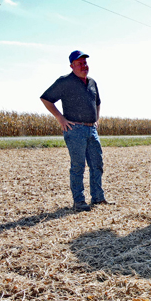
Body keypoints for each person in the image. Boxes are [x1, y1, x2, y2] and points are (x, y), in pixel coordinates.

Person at [40, 50, 108, 212]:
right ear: (72, 66)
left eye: (85, 63)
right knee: (78, 166)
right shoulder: (65, 82)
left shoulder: (92, 82)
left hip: (92, 129)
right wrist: (60, 118)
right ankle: (79, 201)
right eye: (79, 64)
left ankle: (98, 197)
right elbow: (46, 98)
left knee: (97, 164)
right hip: (75, 129)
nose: (84, 66)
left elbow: (97, 102)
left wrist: (96, 119)